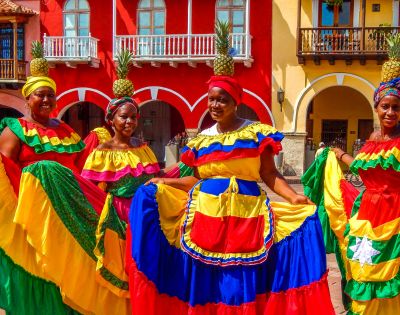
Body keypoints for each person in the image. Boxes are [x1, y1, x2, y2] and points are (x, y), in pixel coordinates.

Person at [125, 22, 334, 314]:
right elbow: (194, 180)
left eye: (222, 100)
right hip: (205, 213)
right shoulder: (201, 141)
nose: (215, 105)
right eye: (211, 99)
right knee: (209, 277)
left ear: (235, 102)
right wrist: (165, 183)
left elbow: (269, 175)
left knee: (238, 278)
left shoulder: (256, 133)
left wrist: (294, 198)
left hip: (246, 213)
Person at [302, 77, 400, 313]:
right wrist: (341, 155)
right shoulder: (373, 138)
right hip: (367, 213)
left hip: (394, 213)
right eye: (385, 106)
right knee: (364, 266)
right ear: (376, 107)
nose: (390, 112)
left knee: (391, 270)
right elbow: (363, 168)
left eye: (396, 107)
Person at [0, 49, 86, 314]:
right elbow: (4, 171)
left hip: (68, 215)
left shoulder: (66, 131)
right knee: (40, 266)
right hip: (33, 213)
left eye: (51, 95)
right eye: (40, 95)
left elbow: (82, 169)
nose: (46, 100)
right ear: (27, 98)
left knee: (66, 267)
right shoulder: (14, 130)